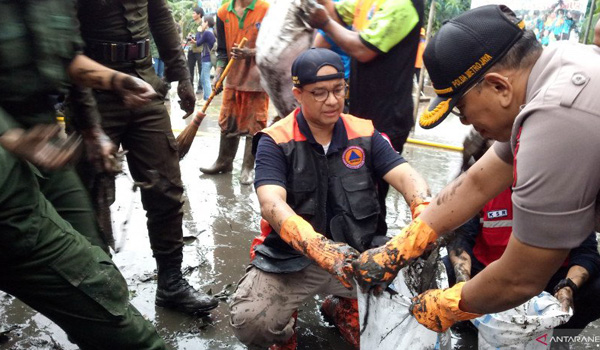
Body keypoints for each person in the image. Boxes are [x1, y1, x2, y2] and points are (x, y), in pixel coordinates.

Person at [351, 4, 600, 333]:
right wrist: (402, 246)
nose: (466, 121)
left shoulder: (559, 118)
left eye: (461, 108)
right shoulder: (554, 68)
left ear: (499, 87)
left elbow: (520, 278)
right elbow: (480, 181)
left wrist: (447, 305)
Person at [228, 48, 430, 349]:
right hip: (293, 259)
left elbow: (405, 175)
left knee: (407, 323)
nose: (333, 100)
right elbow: (271, 202)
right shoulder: (276, 139)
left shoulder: (366, 133)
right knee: (253, 321)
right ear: (298, 93)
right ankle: (284, 330)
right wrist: (314, 245)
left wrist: (423, 208)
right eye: (319, 93)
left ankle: (342, 306)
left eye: (338, 89)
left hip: (357, 258)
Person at [0, 1, 166, 348]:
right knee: (103, 303)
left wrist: (117, 80)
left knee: (98, 266)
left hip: (42, 141)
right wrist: (9, 136)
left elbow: (63, 57)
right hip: (7, 174)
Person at [75, 0, 219, 315]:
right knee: (91, 195)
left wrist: (181, 74)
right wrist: (88, 124)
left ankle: (171, 284)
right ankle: (101, 290)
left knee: (166, 187)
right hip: (91, 91)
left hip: (144, 83)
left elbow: (160, 15)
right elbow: (65, 49)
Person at [445, 136, 600, 338]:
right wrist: (463, 284)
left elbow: (586, 252)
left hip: (551, 280)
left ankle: (561, 334)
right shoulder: (482, 186)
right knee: (446, 271)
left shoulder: (567, 189)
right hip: (487, 276)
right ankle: (468, 327)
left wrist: (567, 287)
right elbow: (460, 238)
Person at [307, 0, 424, 155]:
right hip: (362, 112)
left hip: (387, 117)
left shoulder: (402, 4)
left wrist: (325, 23)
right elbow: (336, 12)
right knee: (352, 170)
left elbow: (363, 50)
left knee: (372, 174)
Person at [200, 0, 270, 185]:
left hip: (257, 80)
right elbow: (222, 50)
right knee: (228, 122)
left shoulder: (265, 9)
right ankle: (224, 162)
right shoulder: (223, 12)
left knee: (255, 125)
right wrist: (219, 72)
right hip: (232, 77)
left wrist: (251, 52)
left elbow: (274, 46)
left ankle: (248, 167)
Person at [196, 15, 217, 102]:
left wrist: (199, 30)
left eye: (203, 22)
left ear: (207, 23)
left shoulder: (207, 33)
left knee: (205, 79)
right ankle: (206, 97)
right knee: (203, 78)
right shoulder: (213, 31)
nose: (202, 24)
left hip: (206, 58)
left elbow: (198, 43)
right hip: (211, 58)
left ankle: (207, 99)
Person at [187, 6, 205, 94]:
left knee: (201, 69)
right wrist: (189, 36)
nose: (192, 14)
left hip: (200, 50)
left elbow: (206, 37)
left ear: (199, 14)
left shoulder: (204, 24)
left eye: (194, 13)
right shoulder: (191, 24)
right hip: (191, 49)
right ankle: (190, 87)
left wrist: (197, 41)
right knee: (190, 68)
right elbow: (189, 34)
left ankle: (200, 87)